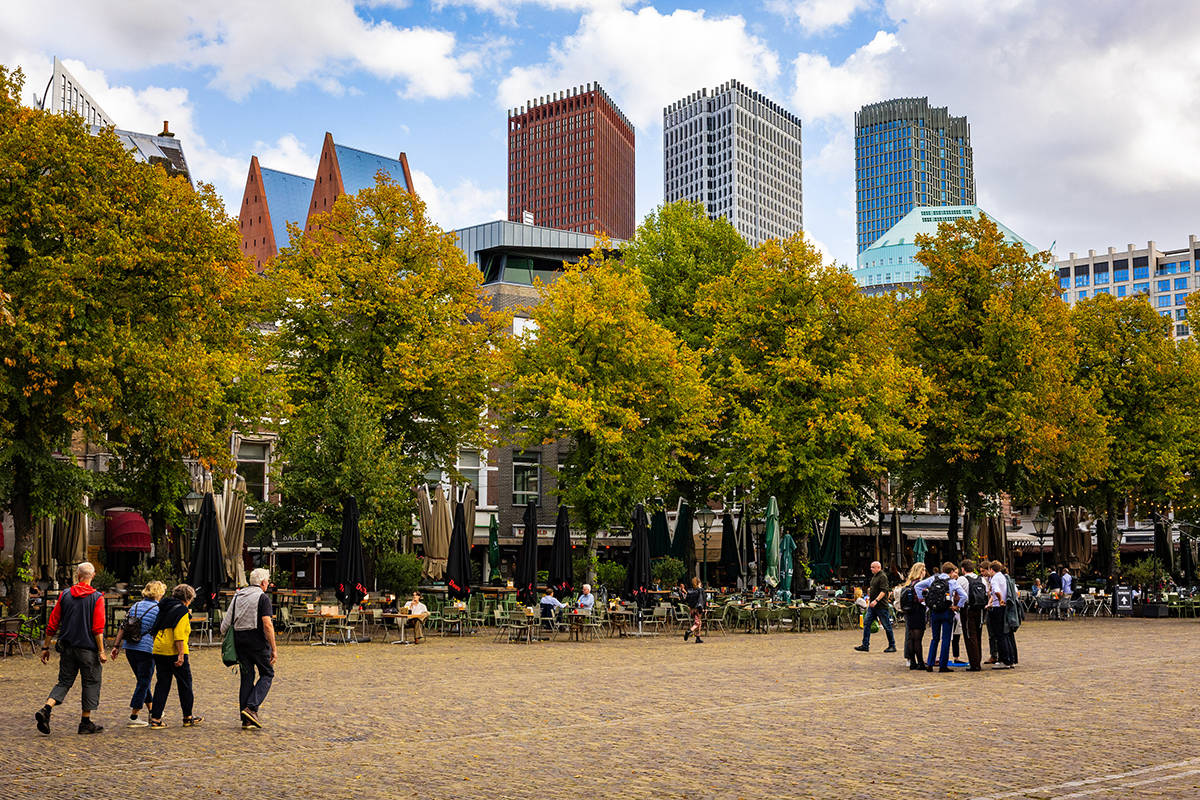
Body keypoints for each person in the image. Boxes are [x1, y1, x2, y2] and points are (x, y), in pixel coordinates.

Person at [35, 562, 108, 735]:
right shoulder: (97, 597)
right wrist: (101, 650)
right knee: (91, 682)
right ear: (93, 575)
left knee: (64, 681)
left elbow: (53, 622)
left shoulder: (65, 595)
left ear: (77, 575)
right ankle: (85, 722)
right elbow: (98, 629)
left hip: (67, 647)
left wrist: (46, 646)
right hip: (88, 649)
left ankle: (47, 708)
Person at [220, 568, 277, 729]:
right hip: (257, 642)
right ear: (263, 583)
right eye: (267, 582)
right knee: (267, 673)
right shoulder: (263, 598)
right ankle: (251, 708)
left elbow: (225, 624)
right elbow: (267, 624)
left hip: (240, 642)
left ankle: (246, 719)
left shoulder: (238, 595)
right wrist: (274, 648)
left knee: (247, 677)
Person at [109, 580, 165, 726]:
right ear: (159, 593)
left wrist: (116, 645)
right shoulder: (158, 609)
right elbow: (159, 631)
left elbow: (123, 626)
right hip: (146, 649)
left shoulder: (136, 605)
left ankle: (153, 710)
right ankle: (134, 716)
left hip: (130, 647)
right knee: (144, 681)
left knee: (142, 680)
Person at [148, 583, 202, 728]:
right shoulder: (182, 611)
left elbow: (154, 628)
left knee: (162, 684)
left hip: (159, 649)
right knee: (185, 683)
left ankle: (156, 719)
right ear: (188, 598)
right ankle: (187, 716)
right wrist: (180, 655)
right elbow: (179, 636)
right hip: (174, 650)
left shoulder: (163, 607)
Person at [915, 562, 966, 673]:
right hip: (947, 611)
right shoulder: (952, 582)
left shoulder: (933, 579)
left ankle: (930, 663)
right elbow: (964, 596)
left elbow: (917, 586)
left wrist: (922, 600)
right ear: (951, 572)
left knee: (935, 638)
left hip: (934, 611)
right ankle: (943, 665)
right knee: (946, 639)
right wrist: (957, 606)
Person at [854, 561, 896, 653]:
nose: (871, 569)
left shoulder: (882, 576)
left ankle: (892, 645)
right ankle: (865, 645)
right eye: (871, 567)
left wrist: (876, 600)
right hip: (873, 606)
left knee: (887, 626)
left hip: (881, 606)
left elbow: (884, 590)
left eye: (873, 567)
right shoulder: (875, 576)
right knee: (866, 623)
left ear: (878, 567)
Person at [956, 559, 987, 672]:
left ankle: (974, 664)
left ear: (963, 569)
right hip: (980, 609)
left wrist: (957, 605)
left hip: (968, 609)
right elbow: (987, 593)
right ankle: (977, 660)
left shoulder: (962, 579)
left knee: (970, 635)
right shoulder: (982, 579)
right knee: (978, 635)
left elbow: (957, 593)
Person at [985, 561, 1015, 669]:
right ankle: (1009, 659)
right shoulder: (1003, 577)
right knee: (1005, 634)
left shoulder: (994, 579)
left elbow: (996, 591)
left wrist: (1000, 599)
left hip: (998, 607)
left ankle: (1005, 660)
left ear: (991, 570)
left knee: (999, 634)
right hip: (1003, 607)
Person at [898, 563, 928, 670]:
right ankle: (920, 662)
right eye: (923, 570)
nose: (925, 572)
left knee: (911, 638)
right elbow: (923, 600)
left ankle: (913, 662)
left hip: (909, 612)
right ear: (920, 571)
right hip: (918, 611)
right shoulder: (920, 584)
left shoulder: (909, 584)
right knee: (918, 639)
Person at [681, 576, 705, 643]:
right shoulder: (700, 590)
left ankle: (698, 637)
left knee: (698, 622)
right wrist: (703, 608)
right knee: (697, 623)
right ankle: (689, 631)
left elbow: (686, 599)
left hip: (692, 609)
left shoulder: (691, 591)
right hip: (698, 608)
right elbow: (702, 599)